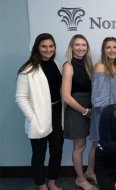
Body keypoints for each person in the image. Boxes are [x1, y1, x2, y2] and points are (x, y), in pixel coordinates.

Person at [15, 33, 64, 190]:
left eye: (51, 46)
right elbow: (21, 98)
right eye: (44, 46)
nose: (48, 49)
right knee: (39, 154)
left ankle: (52, 182)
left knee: (56, 151)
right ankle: (41, 185)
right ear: (37, 47)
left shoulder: (56, 63)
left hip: (56, 113)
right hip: (39, 117)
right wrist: (33, 118)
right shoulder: (28, 69)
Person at [61, 34, 97, 190]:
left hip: (90, 107)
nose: (81, 48)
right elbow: (66, 97)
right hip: (77, 109)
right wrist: (85, 111)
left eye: (84, 45)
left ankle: (89, 172)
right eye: (77, 45)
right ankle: (80, 179)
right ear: (72, 47)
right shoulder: (68, 65)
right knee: (80, 146)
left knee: (96, 141)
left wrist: (91, 110)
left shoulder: (89, 65)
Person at [90, 37, 116, 174]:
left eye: (115, 47)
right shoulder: (100, 67)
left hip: (115, 112)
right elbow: (98, 98)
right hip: (103, 113)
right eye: (108, 47)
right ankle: (90, 172)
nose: (112, 50)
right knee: (97, 144)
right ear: (103, 50)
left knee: (111, 143)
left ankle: (105, 173)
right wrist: (109, 115)